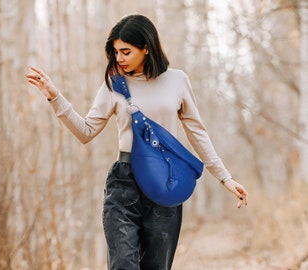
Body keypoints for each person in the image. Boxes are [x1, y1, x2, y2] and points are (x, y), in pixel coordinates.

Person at [26, 14, 248, 270]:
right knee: (123, 265)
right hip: (124, 183)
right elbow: (86, 132)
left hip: (165, 184)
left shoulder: (177, 81)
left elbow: (197, 133)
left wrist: (224, 177)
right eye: (115, 52)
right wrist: (56, 98)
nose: (118, 58)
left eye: (125, 51)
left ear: (146, 47)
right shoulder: (114, 85)